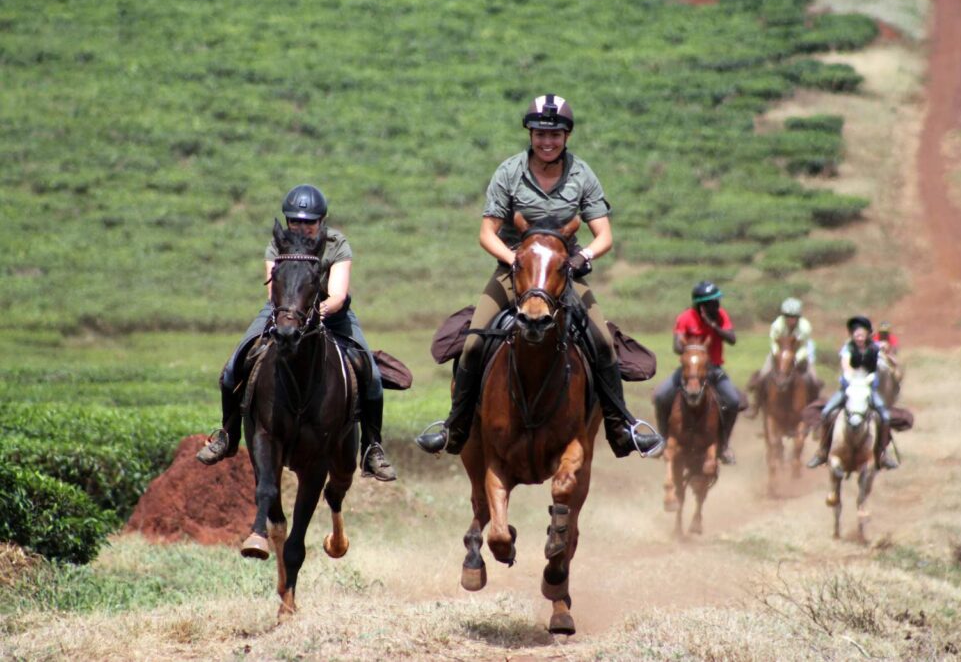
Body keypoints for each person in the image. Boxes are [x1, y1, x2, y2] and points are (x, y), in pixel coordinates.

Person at [415, 94, 664, 459]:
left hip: (563, 273)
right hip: (513, 272)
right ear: (530, 134)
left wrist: (583, 257)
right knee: (472, 344)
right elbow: (487, 233)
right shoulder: (509, 172)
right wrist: (515, 260)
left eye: (556, 135)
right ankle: (456, 426)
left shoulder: (582, 175)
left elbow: (604, 235)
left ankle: (621, 427)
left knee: (603, 343)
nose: (547, 142)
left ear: (567, 136)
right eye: (540, 134)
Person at [196, 184, 397, 482]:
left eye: (309, 222)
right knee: (231, 369)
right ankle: (227, 435)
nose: (302, 228)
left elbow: (339, 293)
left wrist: (318, 313)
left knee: (373, 377)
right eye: (295, 221)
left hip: (333, 314)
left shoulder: (337, 243)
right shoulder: (277, 244)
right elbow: (271, 291)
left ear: (321, 221)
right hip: (284, 313)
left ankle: (372, 449)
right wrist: (291, 317)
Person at [652, 281, 743, 464]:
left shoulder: (721, 316)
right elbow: (677, 346)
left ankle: (724, 445)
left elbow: (732, 338)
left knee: (733, 400)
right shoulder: (685, 317)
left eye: (717, 301)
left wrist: (714, 325)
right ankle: (662, 439)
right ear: (700, 305)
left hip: (713, 369)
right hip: (689, 370)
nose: (716, 306)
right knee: (661, 396)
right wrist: (687, 345)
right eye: (712, 302)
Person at [806, 315, 898, 470]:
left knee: (885, 416)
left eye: (862, 334)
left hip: (868, 390)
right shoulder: (847, 348)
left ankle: (883, 452)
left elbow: (883, 364)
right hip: (849, 389)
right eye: (856, 334)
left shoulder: (875, 349)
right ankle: (822, 451)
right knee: (827, 412)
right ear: (852, 335)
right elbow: (846, 364)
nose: (859, 337)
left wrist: (877, 371)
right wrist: (852, 377)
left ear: (868, 334)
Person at [751, 297, 818, 390]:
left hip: (801, 352)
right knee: (764, 373)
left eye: (794, 316)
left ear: (798, 317)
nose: (791, 319)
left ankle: (816, 397)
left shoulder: (805, 328)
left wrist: (795, 359)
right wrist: (777, 355)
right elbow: (773, 343)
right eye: (788, 316)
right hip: (780, 352)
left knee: (814, 379)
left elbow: (804, 347)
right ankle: (757, 398)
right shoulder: (777, 325)